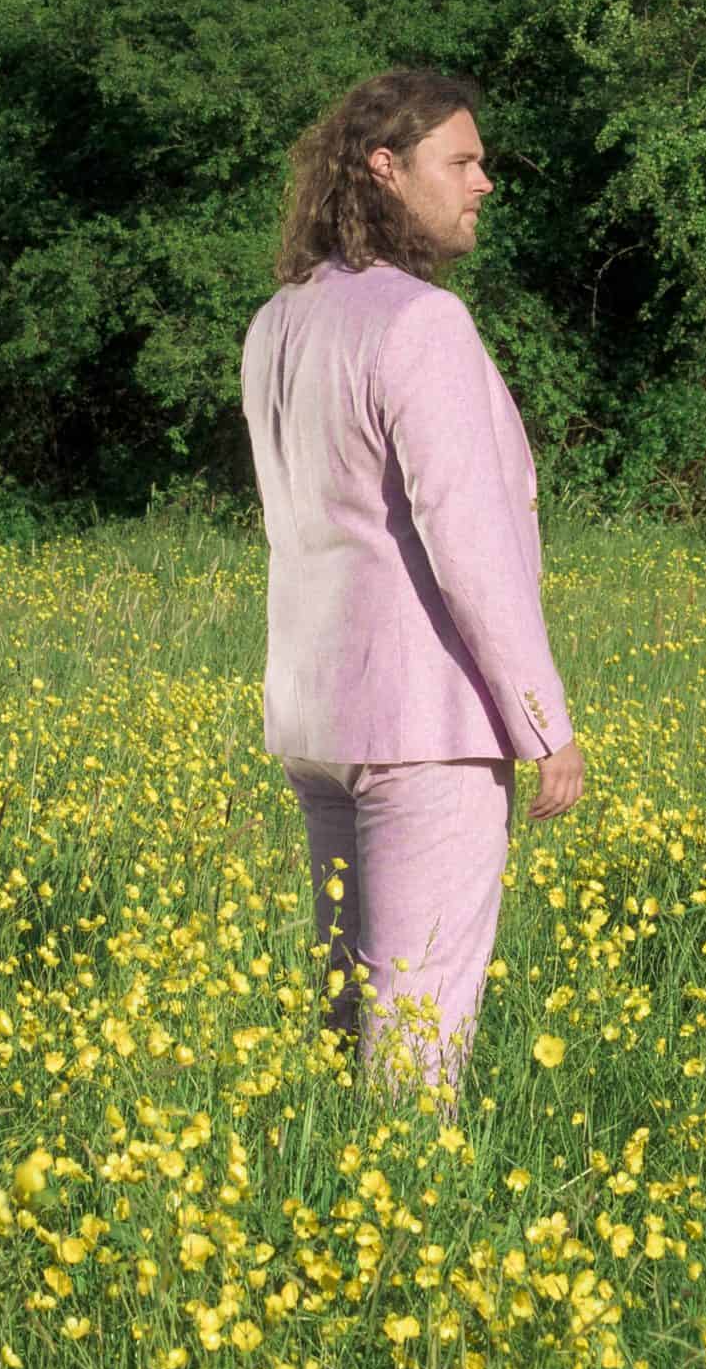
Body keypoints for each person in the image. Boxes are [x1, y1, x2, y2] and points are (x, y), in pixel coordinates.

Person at [241, 69, 585, 1105]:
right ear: (385, 168)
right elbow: (470, 544)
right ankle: (405, 1200)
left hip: (316, 717)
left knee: (346, 1013)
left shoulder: (278, 321)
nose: (484, 183)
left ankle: (320, 1184)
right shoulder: (424, 322)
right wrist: (543, 722)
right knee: (416, 1037)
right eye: (462, 161)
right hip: (426, 724)